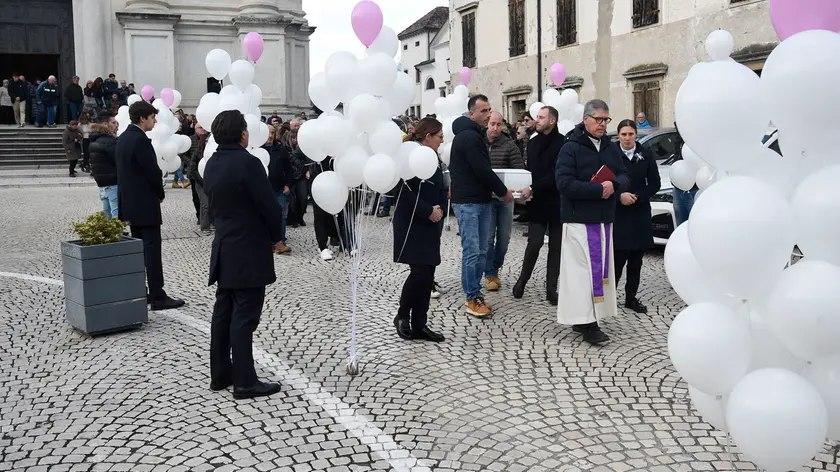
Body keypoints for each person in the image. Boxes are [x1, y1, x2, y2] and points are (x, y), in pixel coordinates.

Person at [203, 110, 286, 400]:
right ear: (241, 134)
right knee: (244, 317)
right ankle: (245, 381)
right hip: (248, 247)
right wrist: (277, 237)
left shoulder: (211, 163)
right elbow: (270, 206)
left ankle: (220, 374)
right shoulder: (248, 164)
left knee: (223, 313)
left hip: (224, 245)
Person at [555, 99, 630, 345]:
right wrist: (598, 190)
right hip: (579, 221)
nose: (602, 124)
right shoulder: (570, 147)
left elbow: (624, 174)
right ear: (585, 118)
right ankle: (588, 323)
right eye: (598, 119)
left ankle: (588, 316)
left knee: (599, 273)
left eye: (606, 120)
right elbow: (564, 184)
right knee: (581, 274)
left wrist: (614, 184)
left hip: (603, 220)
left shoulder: (610, 146)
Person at [116, 101, 185, 311]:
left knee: (139, 250)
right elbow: (152, 172)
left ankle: (141, 290)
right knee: (152, 250)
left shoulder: (123, 138)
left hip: (129, 204)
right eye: (153, 117)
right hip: (144, 204)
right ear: (142, 118)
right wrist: (160, 192)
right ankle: (157, 294)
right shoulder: (139, 140)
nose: (155, 121)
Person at [449, 94, 514, 318]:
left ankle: (476, 292)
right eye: (483, 111)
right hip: (469, 203)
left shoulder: (476, 135)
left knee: (481, 251)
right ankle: (471, 296)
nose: (487, 115)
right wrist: (503, 191)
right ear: (472, 114)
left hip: (481, 200)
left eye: (489, 110)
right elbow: (482, 170)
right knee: (473, 251)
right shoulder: (469, 137)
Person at [392, 117, 447, 343]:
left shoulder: (433, 157)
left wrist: (441, 209)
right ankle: (402, 316)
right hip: (412, 221)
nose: (442, 142)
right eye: (439, 137)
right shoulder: (409, 154)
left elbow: (439, 186)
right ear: (427, 136)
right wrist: (427, 210)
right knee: (419, 273)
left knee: (428, 274)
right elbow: (403, 192)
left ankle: (420, 324)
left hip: (432, 220)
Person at [513, 105, 566, 305]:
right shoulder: (533, 144)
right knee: (534, 243)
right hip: (537, 202)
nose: (537, 120)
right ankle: (522, 281)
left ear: (552, 121)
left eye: (542, 117)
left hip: (557, 201)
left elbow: (557, 173)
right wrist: (522, 186)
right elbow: (530, 171)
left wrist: (533, 187)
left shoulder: (563, 143)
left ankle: (551, 289)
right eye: (538, 116)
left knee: (556, 247)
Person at [613, 119, 661, 314]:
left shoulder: (646, 155)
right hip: (618, 213)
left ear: (636, 135)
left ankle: (631, 297)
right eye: (623, 134)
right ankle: (608, 298)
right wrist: (619, 196)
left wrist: (639, 196)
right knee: (617, 258)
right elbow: (604, 180)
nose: (627, 138)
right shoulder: (611, 154)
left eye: (630, 134)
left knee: (636, 259)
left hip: (639, 211)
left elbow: (655, 183)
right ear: (619, 136)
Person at [483, 111, 525, 292]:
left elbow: (519, 170)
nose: (495, 127)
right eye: (492, 124)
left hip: (506, 198)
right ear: (487, 124)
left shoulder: (509, 145)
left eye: (499, 124)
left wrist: (515, 187)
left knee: (504, 238)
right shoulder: (479, 143)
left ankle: (496, 267)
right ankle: (489, 273)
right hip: (485, 198)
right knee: (488, 238)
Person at [266, 126, 293, 254]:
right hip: (262, 190)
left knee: (281, 215)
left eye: (272, 132)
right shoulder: (257, 150)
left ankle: (280, 241)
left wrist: (288, 184)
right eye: (268, 133)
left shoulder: (281, 149)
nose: (270, 135)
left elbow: (288, 169)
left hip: (278, 189)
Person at [89, 112, 120, 219]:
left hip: (101, 181)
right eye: (114, 122)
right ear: (105, 124)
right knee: (116, 208)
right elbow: (117, 159)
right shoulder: (109, 140)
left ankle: (109, 231)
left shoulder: (94, 139)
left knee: (107, 209)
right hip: (112, 180)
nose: (117, 125)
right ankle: (117, 231)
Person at [189, 124, 212, 233]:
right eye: (206, 141)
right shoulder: (197, 154)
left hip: (211, 181)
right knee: (205, 204)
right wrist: (202, 182)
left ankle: (212, 223)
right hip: (200, 181)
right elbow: (193, 170)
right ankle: (205, 226)